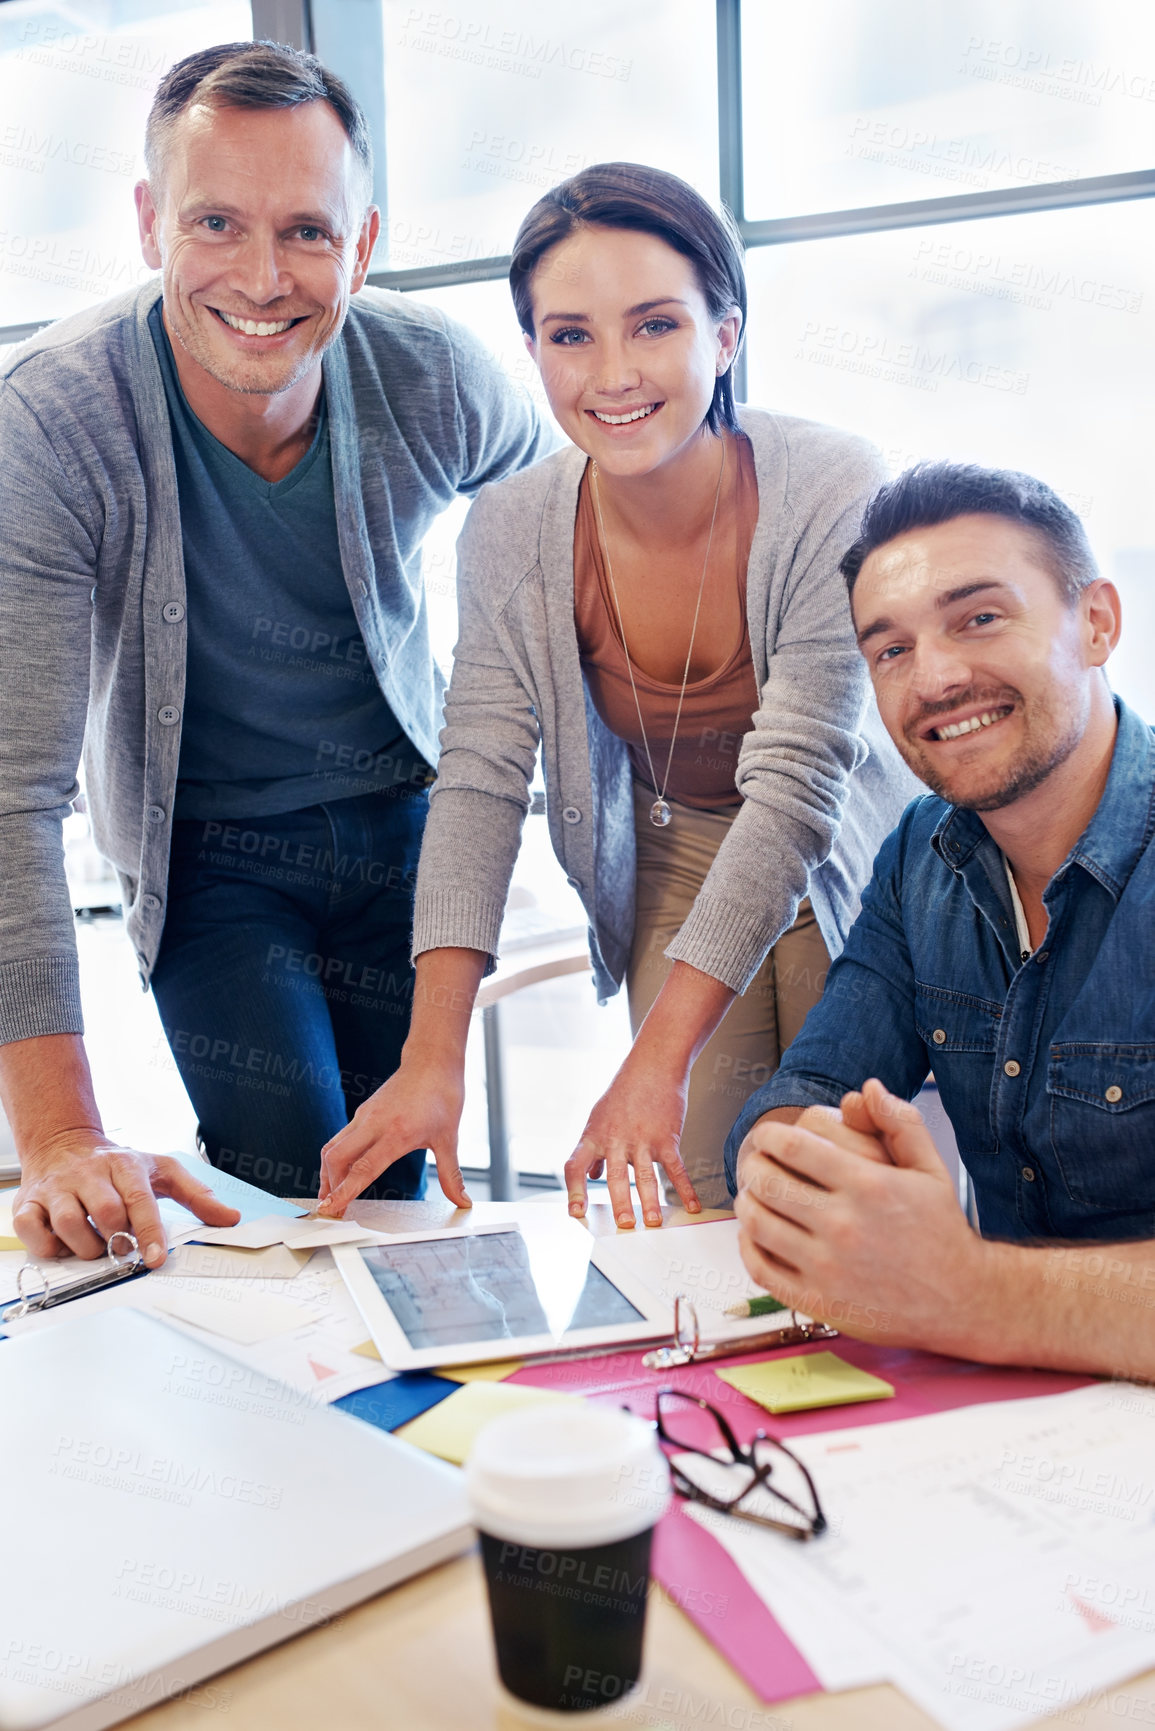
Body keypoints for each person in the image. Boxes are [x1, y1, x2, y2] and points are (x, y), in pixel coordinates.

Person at [0, 42, 550, 1267]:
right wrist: (59, 1142)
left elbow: (570, 512)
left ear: (360, 246)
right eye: (216, 222)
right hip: (213, 860)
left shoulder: (433, 373)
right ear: (150, 226)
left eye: (307, 231)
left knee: (400, 1205)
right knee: (304, 1204)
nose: (262, 278)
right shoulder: (49, 423)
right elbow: (12, 800)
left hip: (411, 829)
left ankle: (419, 1448)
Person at [318, 162, 915, 1225]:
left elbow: (795, 796)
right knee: (697, 1187)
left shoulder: (834, 485)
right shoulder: (510, 529)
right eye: (570, 335)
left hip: (844, 856)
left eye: (653, 326)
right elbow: (478, 787)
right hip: (674, 849)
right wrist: (431, 1060)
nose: (613, 373)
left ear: (724, 335)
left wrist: (652, 1060)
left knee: (831, 1189)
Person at [726, 460, 1155, 1382]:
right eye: (890, 650)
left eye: (979, 618)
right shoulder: (922, 850)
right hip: (998, 1427)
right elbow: (806, 1086)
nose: (936, 678)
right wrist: (798, 1164)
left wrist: (964, 1288)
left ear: (1097, 622)